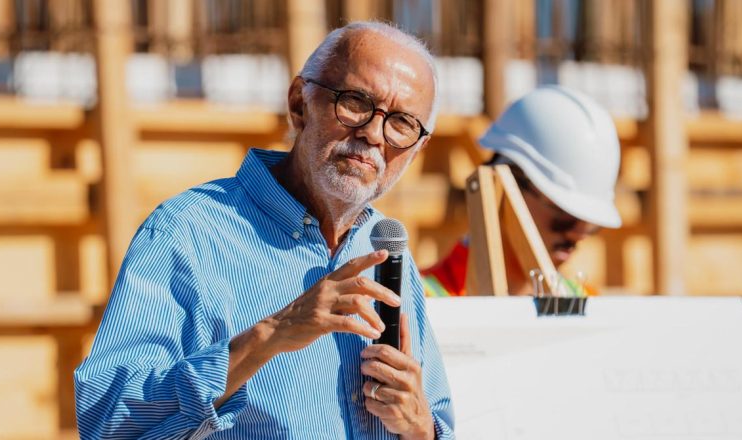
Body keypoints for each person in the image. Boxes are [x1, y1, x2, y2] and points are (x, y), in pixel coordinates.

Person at [74, 22, 454, 439]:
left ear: (417, 149)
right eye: (356, 102)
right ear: (299, 104)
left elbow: (435, 415)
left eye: (401, 123)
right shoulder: (187, 233)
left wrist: (419, 427)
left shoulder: (385, 249)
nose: (373, 133)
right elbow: (107, 422)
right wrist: (271, 335)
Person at [422, 86, 622, 297]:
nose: (579, 234)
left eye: (591, 223)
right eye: (564, 214)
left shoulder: (583, 302)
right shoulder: (421, 306)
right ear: (502, 189)